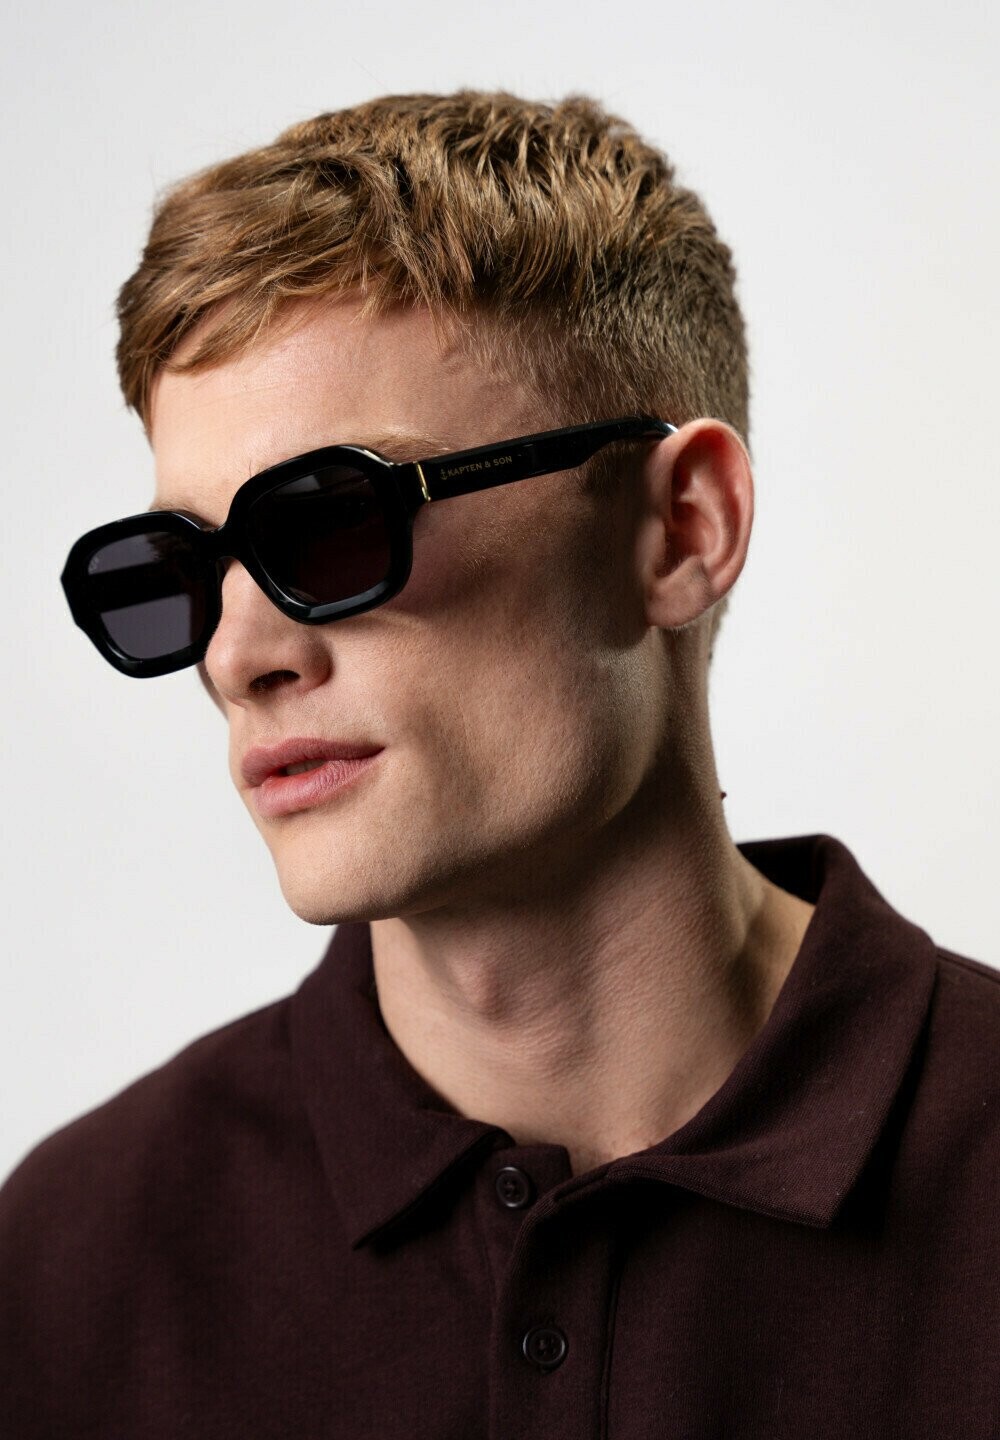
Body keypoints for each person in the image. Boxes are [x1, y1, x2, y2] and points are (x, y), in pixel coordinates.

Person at [1, 89, 997, 1437]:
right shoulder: (68, 1265)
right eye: (178, 571)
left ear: (682, 529)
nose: (237, 656)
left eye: (333, 524)